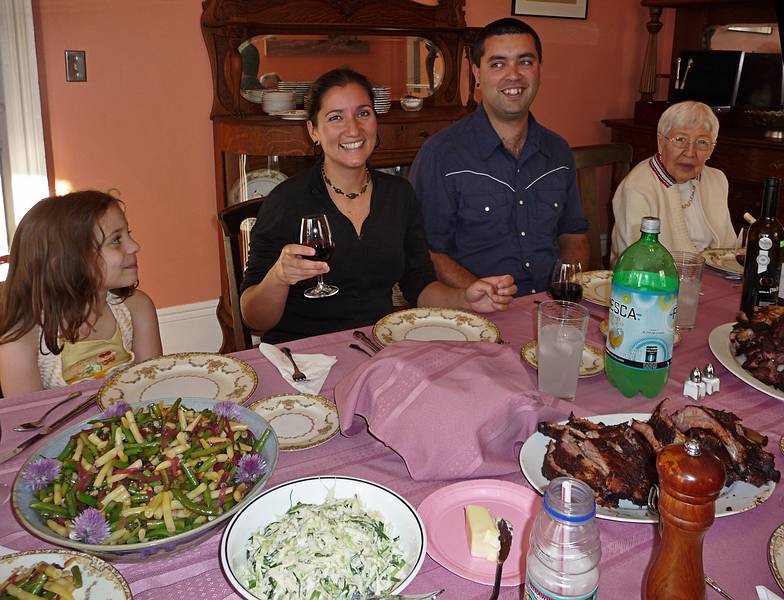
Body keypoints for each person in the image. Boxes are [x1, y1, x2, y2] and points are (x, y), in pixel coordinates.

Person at [239, 68, 517, 343]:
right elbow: (254, 319)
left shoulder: (399, 194)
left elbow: (419, 284)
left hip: (375, 346)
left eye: (363, 113)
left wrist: (464, 298)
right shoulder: (287, 201)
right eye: (336, 117)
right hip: (301, 355)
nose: (353, 129)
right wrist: (278, 276)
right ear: (313, 130)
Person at [410, 18, 589, 297]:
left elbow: (573, 234)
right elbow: (429, 253)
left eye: (525, 62)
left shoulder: (558, 151)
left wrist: (563, 292)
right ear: (477, 74)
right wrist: (482, 294)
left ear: (539, 70)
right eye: (497, 64)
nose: (514, 75)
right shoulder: (441, 154)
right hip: (475, 311)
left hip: (550, 305)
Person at [0, 191, 162, 396]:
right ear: (64, 263)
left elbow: (152, 389)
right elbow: (28, 423)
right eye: (116, 240)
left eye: (128, 234)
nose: (134, 246)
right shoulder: (20, 341)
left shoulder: (137, 308)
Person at [611, 101, 736, 260]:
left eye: (702, 142)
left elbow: (728, 249)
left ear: (711, 149)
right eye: (680, 139)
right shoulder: (637, 187)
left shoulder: (717, 180)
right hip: (655, 280)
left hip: (711, 277)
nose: (690, 152)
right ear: (661, 143)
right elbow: (638, 261)